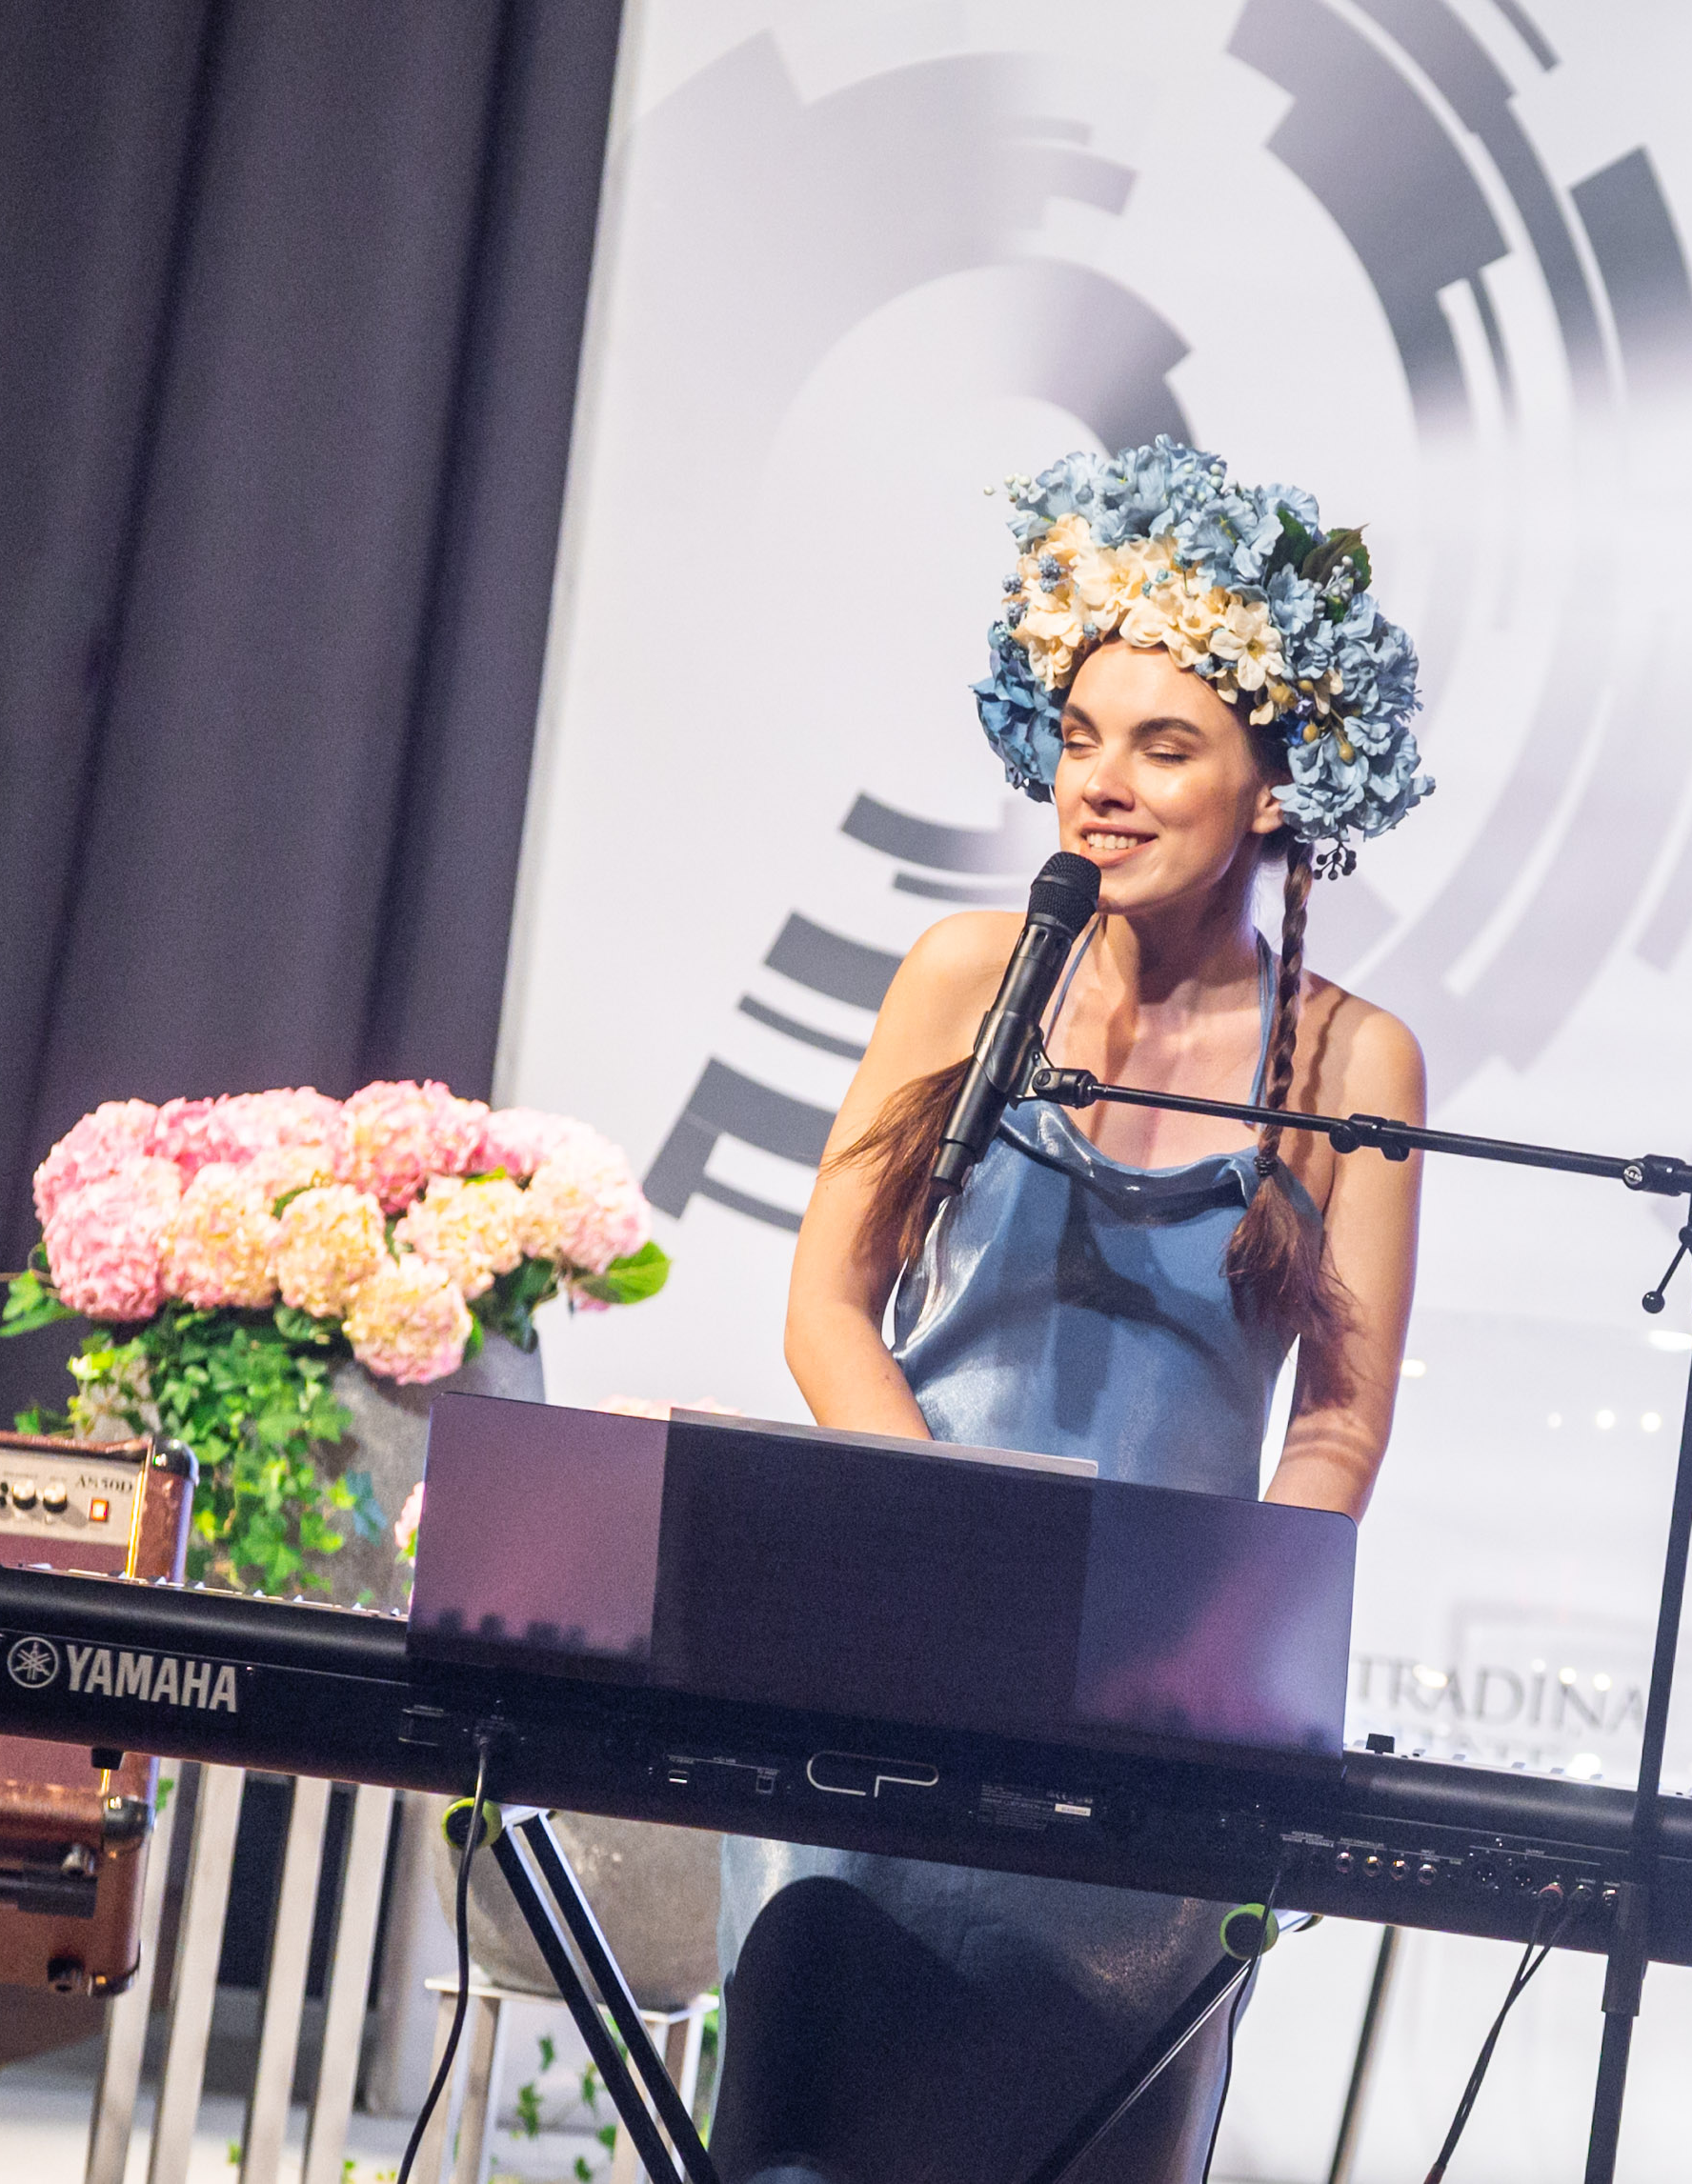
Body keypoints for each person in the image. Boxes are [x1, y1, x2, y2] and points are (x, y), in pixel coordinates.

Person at [721, 440, 1432, 2184]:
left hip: (1150, 1717)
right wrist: (958, 1551)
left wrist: (1214, 1641)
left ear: (1277, 785)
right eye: (1081, 736)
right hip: (892, 1644)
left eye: (1165, 746)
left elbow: (1338, 1421)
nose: (1102, 784)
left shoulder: (1357, 1060)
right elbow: (829, 1305)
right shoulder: (966, 974)